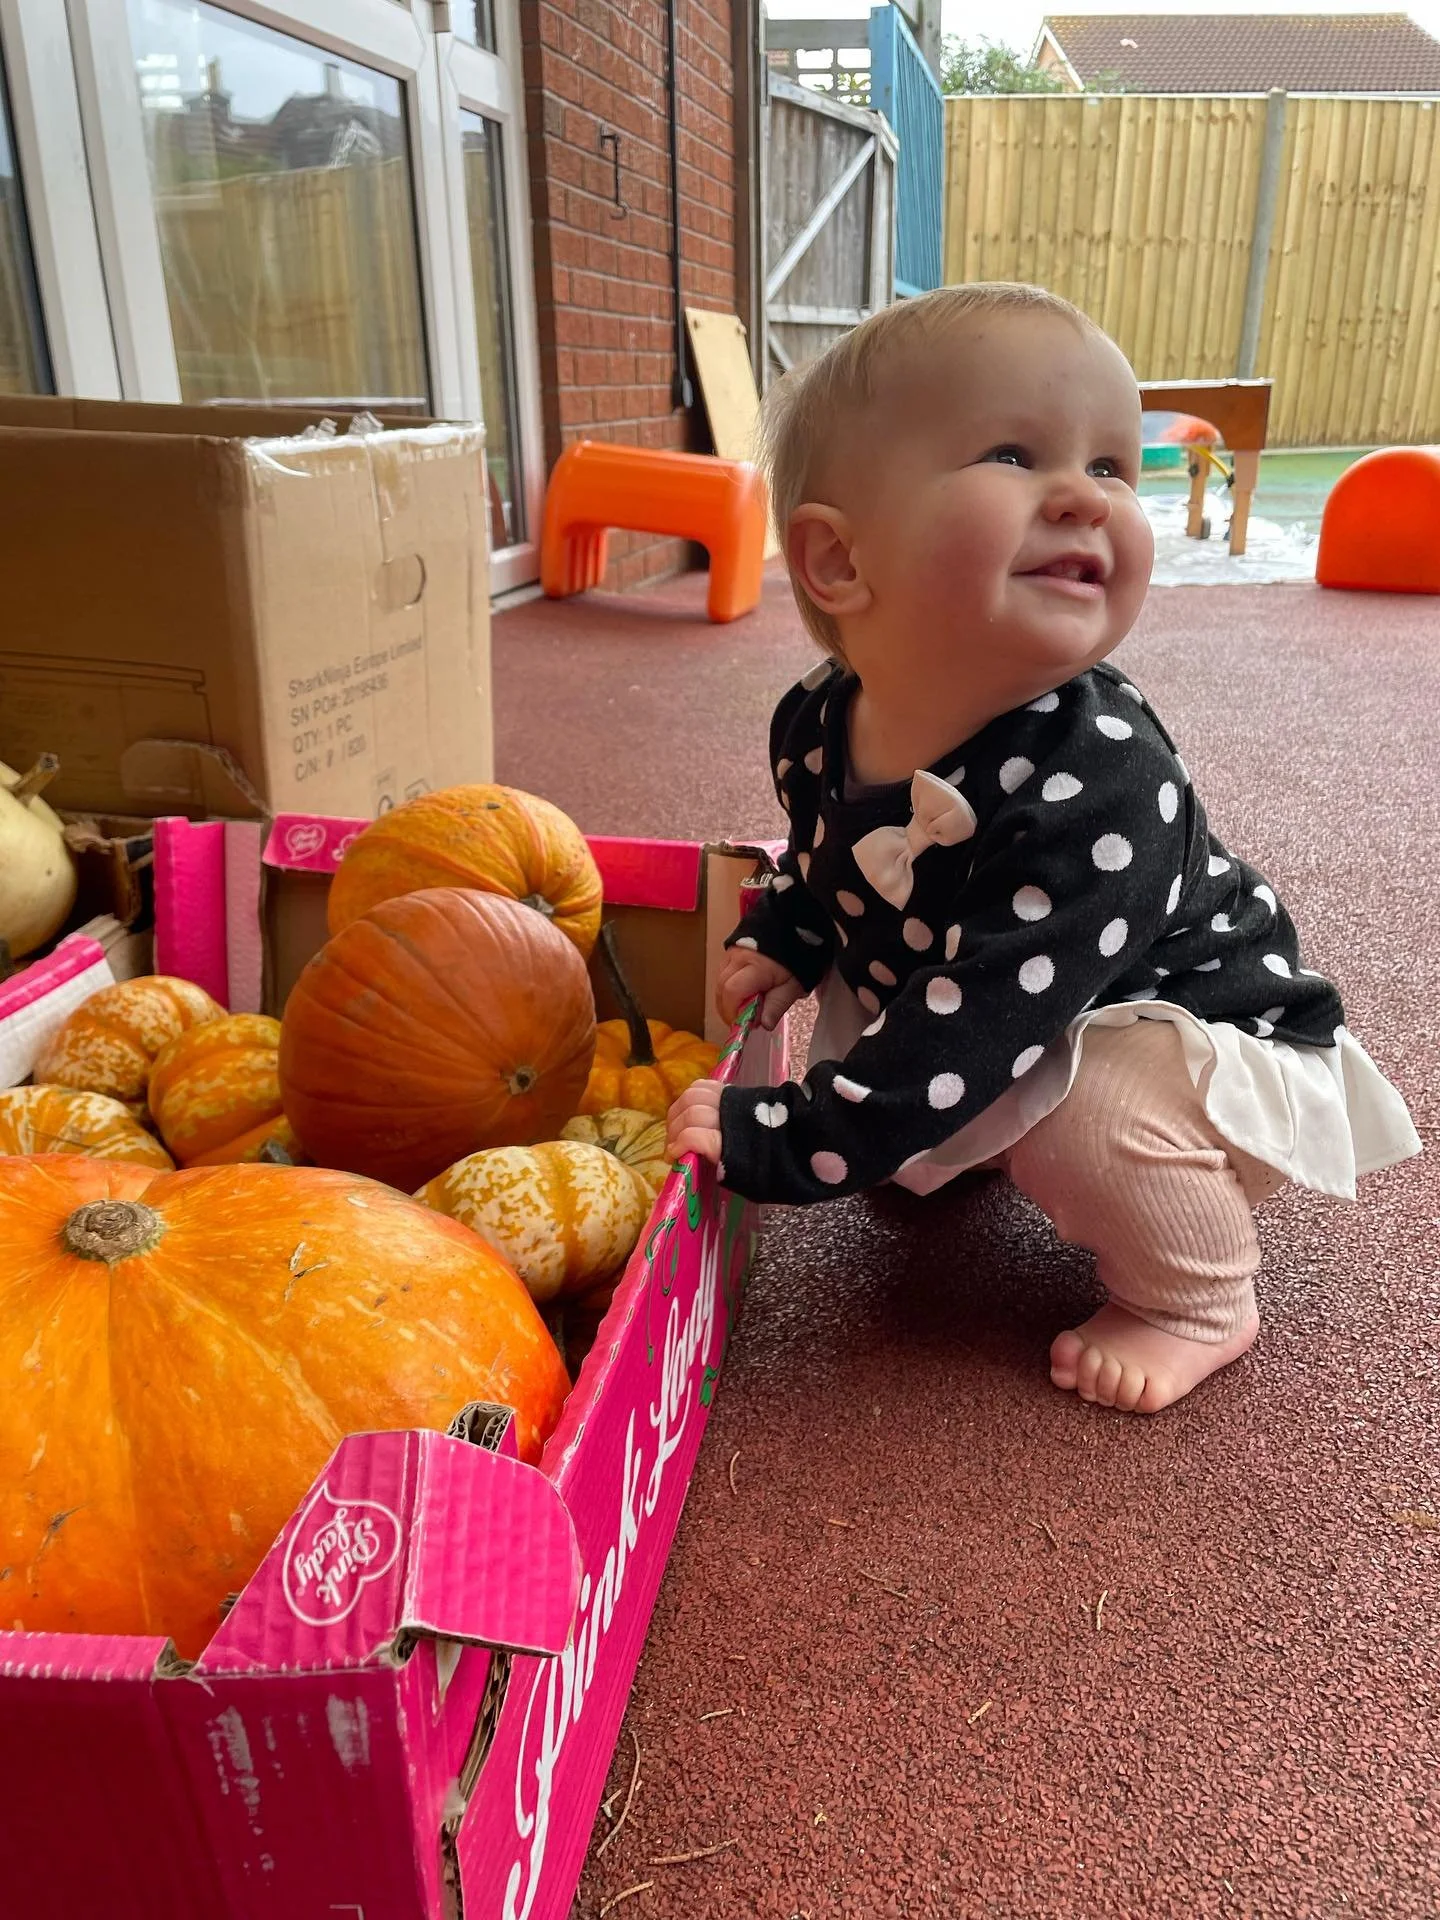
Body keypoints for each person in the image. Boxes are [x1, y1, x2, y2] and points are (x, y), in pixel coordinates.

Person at [665, 283, 1420, 1415]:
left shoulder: (1103, 777)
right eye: (1015, 455)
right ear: (836, 561)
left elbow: (988, 1014)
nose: (1084, 495)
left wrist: (810, 1136)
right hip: (996, 999)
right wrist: (789, 932)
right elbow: (825, 859)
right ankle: (945, 1129)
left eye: (1113, 465)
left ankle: (1197, 1298)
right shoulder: (816, 720)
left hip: (1187, 1037)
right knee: (896, 1019)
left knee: (1088, 1119)